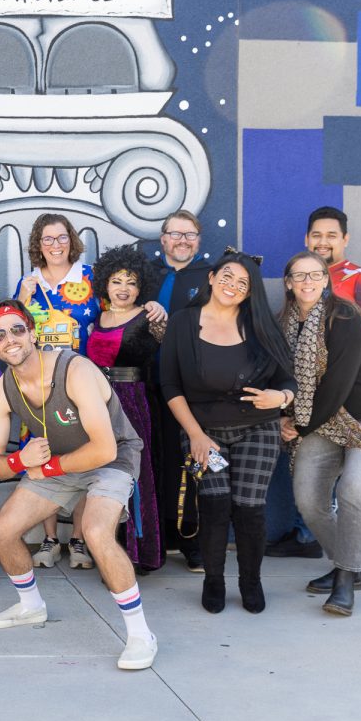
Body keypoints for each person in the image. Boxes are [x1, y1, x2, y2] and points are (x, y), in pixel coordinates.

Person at [0, 300, 156, 670]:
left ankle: (141, 634)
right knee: (4, 531)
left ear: (31, 332)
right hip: (57, 465)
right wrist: (19, 461)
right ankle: (31, 606)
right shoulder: (2, 391)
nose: (9, 340)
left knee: (95, 532)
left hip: (111, 459)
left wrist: (46, 467)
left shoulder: (74, 369)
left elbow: (104, 447)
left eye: (16, 330)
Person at [16, 214, 162, 569]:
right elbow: (16, 328)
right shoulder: (28, 281)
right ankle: (50, 539)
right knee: (45, 454)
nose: (55, 245)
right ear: (38, 243)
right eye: (47, 239)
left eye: (61, 238)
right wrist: (21, 298)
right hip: (41, 384)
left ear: (72, 241)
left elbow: (119, 314)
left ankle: (79, 539)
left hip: (87, 386)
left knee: (89, 457)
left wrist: (154, 309)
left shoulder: (89, 276)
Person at [159, 250, 296, 614]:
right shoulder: (183, 323)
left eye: (242, 283)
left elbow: (287, 380)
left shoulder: (261, 326)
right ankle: (213, 581)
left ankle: (251, 582)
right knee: (215, 505)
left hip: (257, 429)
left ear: (250, 292)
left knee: (249, 509)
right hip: (203, 432)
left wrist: (280, 397)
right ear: (211, 278)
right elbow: (170, 386)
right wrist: (197, 435)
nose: (232, 286)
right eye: (227, 276)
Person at [278, 252, 361, 616]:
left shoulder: (345, 315)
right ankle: (346, 562)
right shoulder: (283, 323)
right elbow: (281, 378)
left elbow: (336, 384)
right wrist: (282, 416)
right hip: (324, 422)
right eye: (298, 275)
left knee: (353, 489)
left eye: (315, 275)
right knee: (308, 500)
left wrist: (298, 425)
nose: (307, 282)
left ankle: (346, 578)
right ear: (288, 283)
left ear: (326, 280)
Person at [269, 207, 361, 576]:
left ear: (345, 240)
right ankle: (310, 537)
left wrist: (360, 399)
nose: (324, 241)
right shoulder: (300, 280)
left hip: (354, 403)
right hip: (314, 403)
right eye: (317, 235)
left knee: (359, 475)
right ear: (307, 240)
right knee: (311, 470)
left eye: (332, 236)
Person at [89, 245, 166, 572]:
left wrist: (161, 314)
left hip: (132, 401)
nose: (123, 288)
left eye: (131, 282)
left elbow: (164, 342)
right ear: (105, 283)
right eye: (117, 280)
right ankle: (106, 546)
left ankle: (139, 552)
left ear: (142, 287)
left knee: (135, 474)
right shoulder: (99, 316)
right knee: (102, 473)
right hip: (97, 400)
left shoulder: (151, 315)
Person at [146, 210, 210, 572]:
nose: (183, 240)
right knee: (154, 462)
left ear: (198, 241)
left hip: (191, 388)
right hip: (147, 383)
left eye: (190, 234)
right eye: (176, 233)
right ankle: (155, 540)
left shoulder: (211, 277)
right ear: (163, 238)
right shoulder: (145, 275)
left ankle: (191, 541)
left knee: (190, 465)